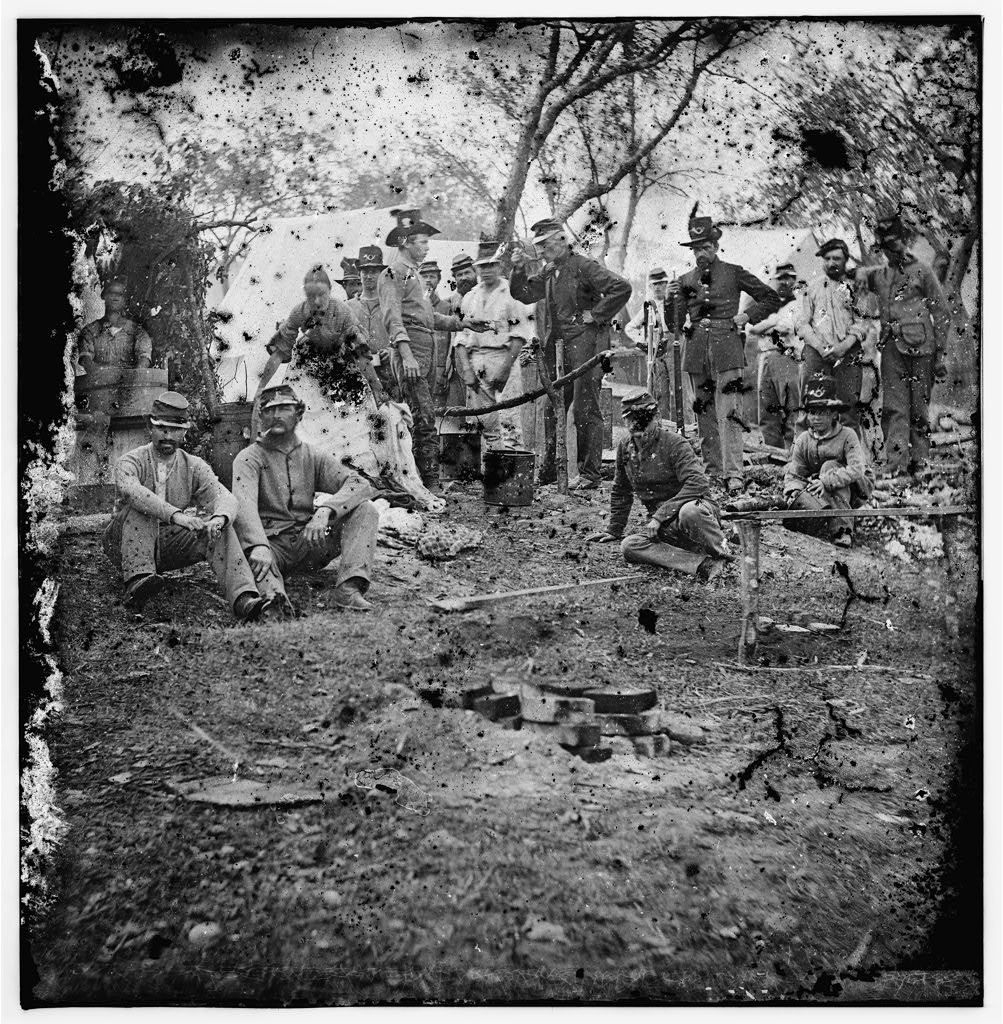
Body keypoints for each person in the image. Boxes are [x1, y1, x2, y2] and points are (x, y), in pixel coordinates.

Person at [102, 391, 266, 620]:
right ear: (150, 428)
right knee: (142, 510)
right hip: (124, 542)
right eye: (162, 428)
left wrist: (219, 518)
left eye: (176, 430)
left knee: (219, 528)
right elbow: (133, 493)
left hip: (167, 544)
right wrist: (177, 516)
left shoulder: (194, 465)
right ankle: (136, 583)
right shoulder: (130, 461)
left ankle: (244, 599)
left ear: (185, 432)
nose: (168, 435)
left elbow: (224, 497)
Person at [233, 384, 380, 613]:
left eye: (284, 408)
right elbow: (244, 509)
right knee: (271, 597)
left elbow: (359, 484)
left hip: (310, 545)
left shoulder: (312, 455)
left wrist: (326, 511)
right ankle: (275, 600)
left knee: (365, 510)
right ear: (261, 417)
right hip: (271, 549)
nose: (277, 416)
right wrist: (259, 546)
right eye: (269, 410)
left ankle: (348, 590)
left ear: (298, 413)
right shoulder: (248, 459)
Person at [509, 218, 632, 490]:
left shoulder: (584, 265)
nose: (540, 252)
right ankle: (552, 471)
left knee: (585, 407)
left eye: (544, 245)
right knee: (554, 406)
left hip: (586, 345)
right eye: (537, 246)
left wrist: (596, 315)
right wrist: (518, 269)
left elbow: (622, 288)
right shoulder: (551, 269)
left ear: (561, 240)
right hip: (558, 347)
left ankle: (590, 474)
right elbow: (525, 293)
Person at [378, 209, 491, 491]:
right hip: (412, 352)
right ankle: (426, 484)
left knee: (425, 417)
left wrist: (463, 323)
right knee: (423, 418)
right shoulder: (394, 274)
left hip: (425, 349)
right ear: (405, 243)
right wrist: (406, 355)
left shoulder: (413, 276)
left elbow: (429, 318)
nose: (427, 247)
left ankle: (422, 480)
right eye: (422, 242)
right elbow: (393, 319)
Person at [671, 212, 781, 493]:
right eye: (696, 249)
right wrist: (670, 299)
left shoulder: (733, 272)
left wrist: (746, 317)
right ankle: (712, 471)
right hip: (696, 351)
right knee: (704, 412)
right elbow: (675, 322)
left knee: (729, 412)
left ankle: (734, 473)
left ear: (716, 247)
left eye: (705, 247)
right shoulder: (684, 279)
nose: (701, 254)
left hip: (727, 349)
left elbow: (770, 297)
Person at [590, 391, 733, 581]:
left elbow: (697, 484)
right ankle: (703, 564)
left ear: (656, 418)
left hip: (694, 516)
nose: (637, 425)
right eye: (631, 419)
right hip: (665, 527)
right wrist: (614, 529)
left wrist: (659, 516)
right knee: (630, 545)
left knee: (690, 511)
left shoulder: (675, 444)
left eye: (643, 419)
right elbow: (621, 489)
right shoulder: (625, 447)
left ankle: (723, 555)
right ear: (625, 421)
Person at [858, 215, 951, 477]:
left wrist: (941, 354)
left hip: (922, 350)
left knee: (919, 409)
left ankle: (920, 463)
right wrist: (860, 272)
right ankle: (895, 465)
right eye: (886, 247)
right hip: (890, 350)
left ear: (904, 242)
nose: (891, 251)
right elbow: (858, 274)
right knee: (894, 409)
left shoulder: (923, 270)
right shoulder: (882, 274)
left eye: (895, 245)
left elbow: (942, 313)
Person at [254, 265, 387, 412]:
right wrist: (260, 388)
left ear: (330, 290)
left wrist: (377, 389)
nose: (317, 301)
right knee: (300, 412)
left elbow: (360, 354)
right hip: (308, 366)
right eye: (311, 295)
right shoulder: (299, 312)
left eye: (322, 294)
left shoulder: (343, 312)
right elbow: (278, 354)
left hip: (340, 364)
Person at [453, 240, 531, 453]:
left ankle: (513, 474)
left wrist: (506, 368)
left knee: (510, 420)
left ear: (499, 266)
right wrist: (467, 370)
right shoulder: (470, 297)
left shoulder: (510, 293)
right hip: (477, 360)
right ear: (476, 268)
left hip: (505, 357)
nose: (486, 271)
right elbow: (460, 338)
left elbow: (518, 335)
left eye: (491, 265)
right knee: (485, 421)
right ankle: (492, 471)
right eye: (482, 266)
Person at [783, 373, 874, 548]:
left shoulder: (847, 435)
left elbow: (856, 469)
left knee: (829, 466)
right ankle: (819, 520)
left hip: (856, 486)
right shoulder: (804, 439)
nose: (816, 418)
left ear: (833, 414)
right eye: (812, 413)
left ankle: (843, 530)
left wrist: (825, 480)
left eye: (822, 413)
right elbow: (795, 472)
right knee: (810, 483)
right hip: (822, 483)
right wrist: (793, 491)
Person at [795, 239, 875, 437]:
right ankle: (802, 456)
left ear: (846, 260)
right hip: (816, 352)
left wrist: (844, 346)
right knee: (811, 403)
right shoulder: (811, 288)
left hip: (848, 353)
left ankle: (849, 458)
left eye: (837, 258)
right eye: (828, 258)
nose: (832, 263)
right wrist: (820, 346)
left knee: (848, 407)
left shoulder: (856, 289)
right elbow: (802, 323)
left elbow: (862, 321)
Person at [746, 262, 804, 451]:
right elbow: (751, 328)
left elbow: (785, 327)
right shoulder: (765, 302)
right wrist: (768, 325)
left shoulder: (797, 302)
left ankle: (793, 455)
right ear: (773, 280)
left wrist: (766, 326)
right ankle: (774, 454)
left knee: (790, 409)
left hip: (787, 355)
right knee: (768, 410)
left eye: (790, 278)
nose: (785, 282)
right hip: (765, 356)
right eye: (781, 278)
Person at [347, 246, 398, 401]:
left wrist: (390, 351)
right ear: (359, 274)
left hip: (388, 375)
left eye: (373, 272)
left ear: (381, 274)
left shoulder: (391, 305)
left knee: (391, 418)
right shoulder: (348, 307)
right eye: (365, 272)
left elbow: (402, 337)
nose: (369, 276)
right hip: (357, 375)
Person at [624, 267, 673, 421]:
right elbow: (629, 328)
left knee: (682, 392)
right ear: (650, 287)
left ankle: (687, 430)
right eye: (654, 284)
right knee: (659, 392)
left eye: (661, 283)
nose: (658, 287)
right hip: (656, 351)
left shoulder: (675, 304)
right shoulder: (648, 307)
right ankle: (662, 427)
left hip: (674, 350)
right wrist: (643, 341)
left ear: (666, 284)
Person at [433, 251, 479, 416]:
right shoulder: (453, 301)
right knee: (458, 416)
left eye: (467, 272)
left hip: (481, 363)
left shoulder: (483, 296)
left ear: (476, 273)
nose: (464, 277)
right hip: (457, 367)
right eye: (459, 275)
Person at [77, 278, 153, 371]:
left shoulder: (138, 333)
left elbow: (144, 361)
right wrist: (106, 377)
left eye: (120, 294)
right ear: (104, 296)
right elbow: (86, 361)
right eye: (111, 293)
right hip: (100, 383)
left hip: (129, 383)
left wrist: (132, 377)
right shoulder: (90, 331)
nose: (115, 297)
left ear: (126, 300)